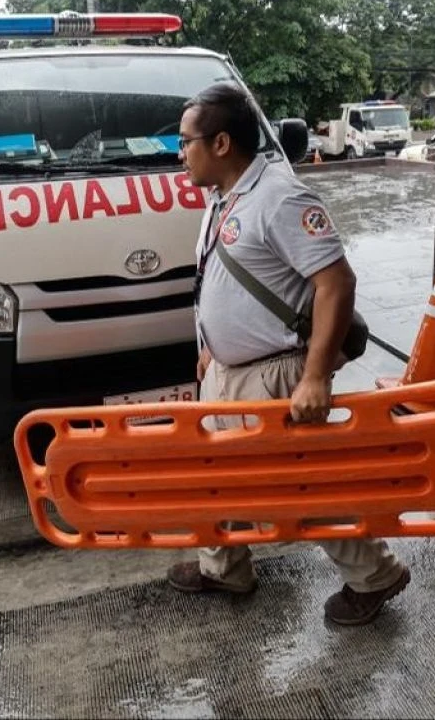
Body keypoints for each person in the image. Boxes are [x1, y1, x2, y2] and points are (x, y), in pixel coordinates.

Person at [169, 82, 411, 627]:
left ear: (222, 142)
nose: (180, 152)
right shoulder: (222, 199)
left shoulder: (280, 197)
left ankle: (376, 575)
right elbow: (214, 280)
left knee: (304, 488)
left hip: (275, 375)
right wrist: (208, 347)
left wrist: (316, 377)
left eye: (186, 142)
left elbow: (336, 283)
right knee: (214, 475)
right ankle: (224, 566)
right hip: (229, 373)